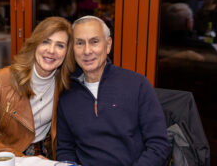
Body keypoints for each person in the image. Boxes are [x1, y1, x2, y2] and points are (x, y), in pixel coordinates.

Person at [56, 16, 169, 165]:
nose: (87, 51)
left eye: (94, 42)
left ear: (108, 45)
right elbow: (65, 149)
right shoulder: (67, 93)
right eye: (79, 43)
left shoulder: (137, 84)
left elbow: (158, 145)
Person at [0, 17, 75, 159]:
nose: (51, 50)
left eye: (60, 45)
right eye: (45, 41)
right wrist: (25, 160)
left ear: (67, 52)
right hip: (0, 155)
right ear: (35, 43)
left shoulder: (64, 83)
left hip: (41, 153)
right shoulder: (1, 80)